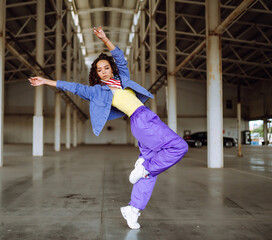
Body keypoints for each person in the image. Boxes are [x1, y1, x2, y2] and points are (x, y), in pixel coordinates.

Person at [29, 26, 188, 229]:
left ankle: (133, 209)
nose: (103, 72)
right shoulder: (97, 92)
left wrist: (105, 39)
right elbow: (73, 87)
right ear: (96, 74)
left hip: (144, 120)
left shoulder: (122, 79)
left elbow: (120, 57)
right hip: (142, 120)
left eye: (106, 68)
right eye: (99, 70)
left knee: (149, 174)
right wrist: (45, 81)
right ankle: (145, 167)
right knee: (179, 147)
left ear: (111, 68)